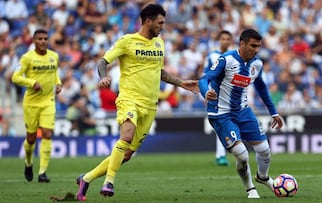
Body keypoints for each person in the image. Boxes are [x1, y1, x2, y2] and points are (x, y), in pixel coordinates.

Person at [76, 4, 198, 201]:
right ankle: (109, 181)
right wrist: (103, 76)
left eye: (164, 23)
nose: (162, 27)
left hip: (150, 105)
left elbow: (159, 72)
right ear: (148, 21)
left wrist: (181, 83)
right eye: (160, 23)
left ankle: (87, 178)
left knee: (126, 154)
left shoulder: (160, 44)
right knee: (126, 135)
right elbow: (102, 62)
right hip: (129, 99)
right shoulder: (127, 41)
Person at [198, 28, 283, 198]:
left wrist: (273, 112)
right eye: (253, 45)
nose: (256, 49)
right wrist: (206, 91)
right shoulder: (226, 60)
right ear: (242, 43)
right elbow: (204, 79)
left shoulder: (257, 64)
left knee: (264, 150)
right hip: (221, 113)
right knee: (242, 154)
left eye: (258, 46)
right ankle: (250, 188)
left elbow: (261, 86)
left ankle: (263, 177)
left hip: (243, 111)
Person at [11, 29, 62, 183]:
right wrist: (32, 82)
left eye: (45, 38)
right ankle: (28, 163)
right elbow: (15, 77)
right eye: (39, 38)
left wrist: (58, 83)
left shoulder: (54, 56)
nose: (43, 41)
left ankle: (42, 172)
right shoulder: (27, 58)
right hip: (31, 103)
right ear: (33, 40)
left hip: (48, 101)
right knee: (31, 138)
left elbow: (55, 73)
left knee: (47, 133)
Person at [203, 30, 233, 166]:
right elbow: (205, 76)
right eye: (223, 38)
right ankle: (221, 155)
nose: (225, 41)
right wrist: (205, 93)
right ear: (219, 40)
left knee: (228, 125)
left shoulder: (233, 56)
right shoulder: (212, 56)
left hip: (231, 95)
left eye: (228, 39)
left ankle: (227, 152)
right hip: (215, 95)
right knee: (221, 124)